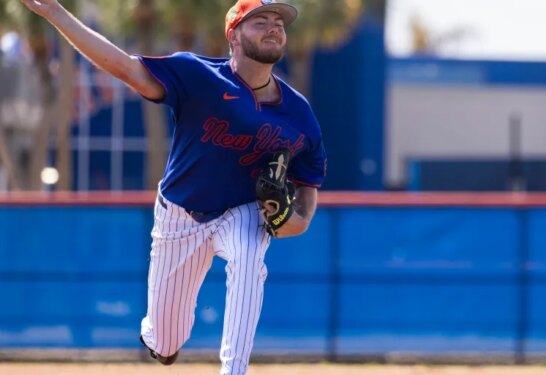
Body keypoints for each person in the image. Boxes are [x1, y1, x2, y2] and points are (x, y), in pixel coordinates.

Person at [20, 0, 327, 374]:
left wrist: (296, 220)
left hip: (243, 211)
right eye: (259, 20)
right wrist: (56, 13)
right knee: (166, 344)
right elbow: (124, 66)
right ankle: (158, 338)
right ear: (233, 35)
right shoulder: (199, 76)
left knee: (249, 257)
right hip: (180, 216)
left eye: (278, 22)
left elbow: (307, 186)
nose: (273, 27)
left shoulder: (299, 113)